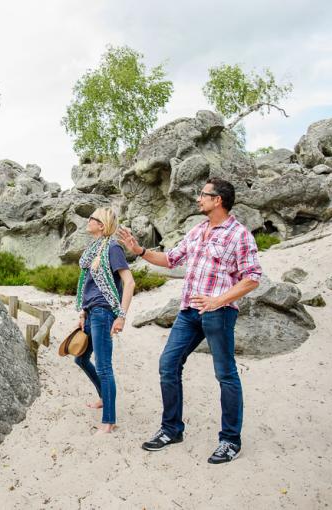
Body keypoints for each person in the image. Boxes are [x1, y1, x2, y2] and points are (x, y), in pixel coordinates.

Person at [117, 177, 263, 464]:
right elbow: (171, 259)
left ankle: (230, 441)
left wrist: (218, 300)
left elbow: (252, 277)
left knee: (225, 374)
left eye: (204, 195)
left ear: (218, 200)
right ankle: (172, 429)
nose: (199, 199)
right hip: (188, 312)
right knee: (168, 365)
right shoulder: (197, 231)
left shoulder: (239, 234)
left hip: (218, 313)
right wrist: (140, 251)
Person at [74, 207, 135, 435]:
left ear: (102, 225)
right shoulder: (92, 250)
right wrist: (82, 312)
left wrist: (121, 315)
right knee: (80, 359)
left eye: (93, 218)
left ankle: (109, 421)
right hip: (91, 312)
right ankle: (104, 396)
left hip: (104, 312)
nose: (88, 220)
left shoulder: (113, 248)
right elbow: (88, 284)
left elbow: (129, 283)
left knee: (104, 366)